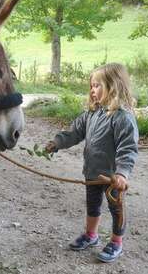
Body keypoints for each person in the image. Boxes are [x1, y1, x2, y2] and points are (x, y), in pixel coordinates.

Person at [45, 63, 139, 263]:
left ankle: (116, 241)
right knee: (93, 205)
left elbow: (128, 148)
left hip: (112, 178)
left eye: (97, 85)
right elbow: (74, 133)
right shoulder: (91, 114)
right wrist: (57, 142)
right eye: (92, 85)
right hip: (92, 173)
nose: (92, 90)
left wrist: (122, 174)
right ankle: (91, 235)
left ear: (113, 86)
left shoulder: (123, 118)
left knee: (117, 209)